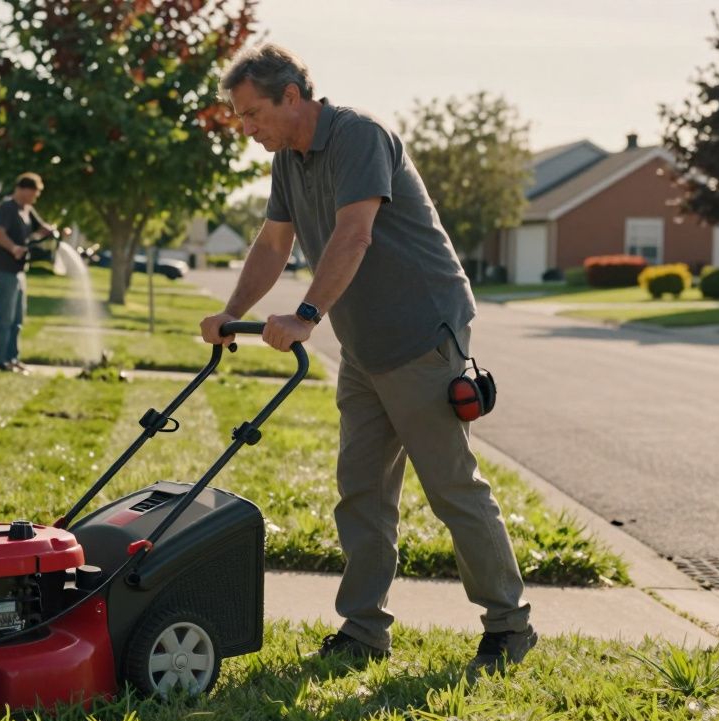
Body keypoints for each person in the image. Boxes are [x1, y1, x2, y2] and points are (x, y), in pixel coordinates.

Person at [199, 43, 535, 676]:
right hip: (364, 345)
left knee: (451, 487)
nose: (245, 129)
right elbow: (274, 244)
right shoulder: (288, 161)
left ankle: (509, 627)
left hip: (420, 333)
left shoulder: (359, 137)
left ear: (291, 96)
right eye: (240, 118)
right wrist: (230, 311)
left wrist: (304, 316)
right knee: (361, 490)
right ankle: (363, 631)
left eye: (251, 114)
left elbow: (355, 233)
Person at [0, 172, 58, 374]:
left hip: (19, 271)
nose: (35, 198)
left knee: (18, 318)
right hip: (4, 268)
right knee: (5, 317)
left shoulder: (27, 209)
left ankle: (12, 359)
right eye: (34, 194)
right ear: (23, 189)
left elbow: (42, 228)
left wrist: (53, 231)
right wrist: (13, 248)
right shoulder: (7, 208)